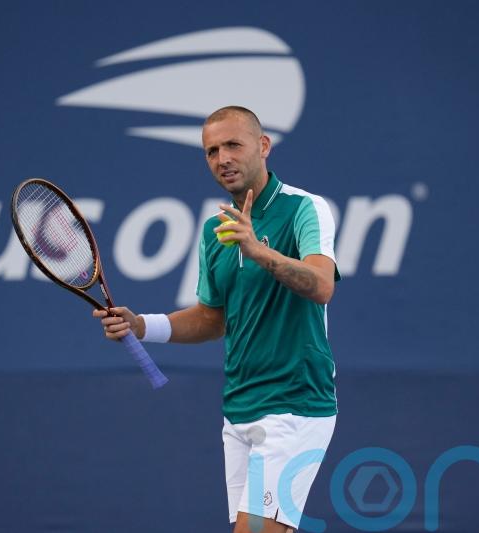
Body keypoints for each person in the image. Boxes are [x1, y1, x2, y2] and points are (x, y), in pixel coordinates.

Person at [94, 106, 340, 533]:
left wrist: (258, 250)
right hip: (239, 411)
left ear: (263, 147)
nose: (222, 158)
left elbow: (321, 285)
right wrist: (141, 326)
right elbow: (212, 318)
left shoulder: (305, 209)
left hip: (294, 405)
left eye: (232, 145)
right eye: (211, 151)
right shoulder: (214, 231)